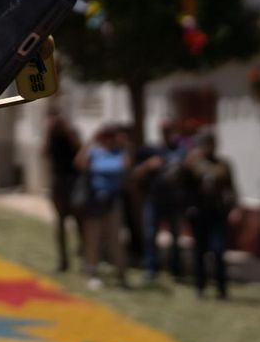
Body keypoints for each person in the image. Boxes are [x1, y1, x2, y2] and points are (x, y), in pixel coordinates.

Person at [183, 129, 240, 300]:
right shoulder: (193, 164)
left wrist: (235, 207)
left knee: (218, 250)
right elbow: (183, 184)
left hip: (218, 212)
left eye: (210, 143)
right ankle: (200, 287)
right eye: (205, 143)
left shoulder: (223, 165)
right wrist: (187, 165)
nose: (208, 146)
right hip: (199, 212)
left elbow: (231, 187)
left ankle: (222, 289)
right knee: (200, 251)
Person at [74, 123, 130, 289]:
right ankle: (93, 272)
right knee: (93, 239)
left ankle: (121, 275)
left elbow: (126, 166)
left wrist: (124, 144)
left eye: (111, 137)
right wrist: (90, 142)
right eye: (106, 137)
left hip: (112, 202)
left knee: (115, 240)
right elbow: (79, 164)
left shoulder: (119, 153)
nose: (108, 140)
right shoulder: (95, 152)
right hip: (94, 201)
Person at [135, 121, 186, 282]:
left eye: (169, 129)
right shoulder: (150, 150)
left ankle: (176, 270)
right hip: (154, 199)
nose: (166, 133)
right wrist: (147, 166)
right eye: (163, 130)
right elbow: (135, 174)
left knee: (176, 238)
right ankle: (151, 269)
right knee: (150, 235)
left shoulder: (181, 151)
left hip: (174, 201)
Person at [45, 109, 82, 272]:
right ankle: (63, 260)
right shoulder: (51, 136)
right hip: (59, 181)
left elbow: (79, 148)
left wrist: (67, 131)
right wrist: (48, 131)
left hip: (74, 181)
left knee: (80, 220)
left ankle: (85, 257)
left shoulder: (71, 133)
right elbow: (44, 152)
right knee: (60, 223)